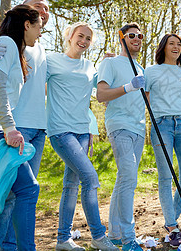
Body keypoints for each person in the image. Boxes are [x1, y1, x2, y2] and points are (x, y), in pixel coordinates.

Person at [0, 0, 50, 250]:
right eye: (38, 26)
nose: (40, 33)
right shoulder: (5, 42)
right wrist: (10, 128)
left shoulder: (18, 49)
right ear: (27, 23)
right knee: (28, 188)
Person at [46, 22, 118, 251]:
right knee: (90, 178)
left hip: (82, 132)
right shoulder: (51, 60)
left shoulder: (90, 67)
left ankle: (62, 240)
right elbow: (34, 84)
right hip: (60, 130)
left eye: (88, 38)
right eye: (80, 36)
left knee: (71, 185)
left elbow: (104, 90)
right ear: (69, 36)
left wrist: (110, 63)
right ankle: (98, 236)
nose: (84, 41)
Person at [144, 34, 181, 247]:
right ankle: (172, 225)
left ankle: (171, 221)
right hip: (162, 125)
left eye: (179, 44)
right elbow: (144, 101)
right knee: (166, 177)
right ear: (163, 47)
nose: (176, 47)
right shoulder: (151, 71)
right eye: (172, 44)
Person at [96, 22, 146, 251]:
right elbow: (101, 94)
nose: (136, 39)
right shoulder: (110, 62)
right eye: (131, 35)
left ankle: (115, 233)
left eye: (140, 36)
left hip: (139, 129)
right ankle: (128, 239)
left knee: (123, 179)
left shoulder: (141, 68)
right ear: (122, 38)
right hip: (119, 126)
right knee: (129, 178)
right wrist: (128, 86)